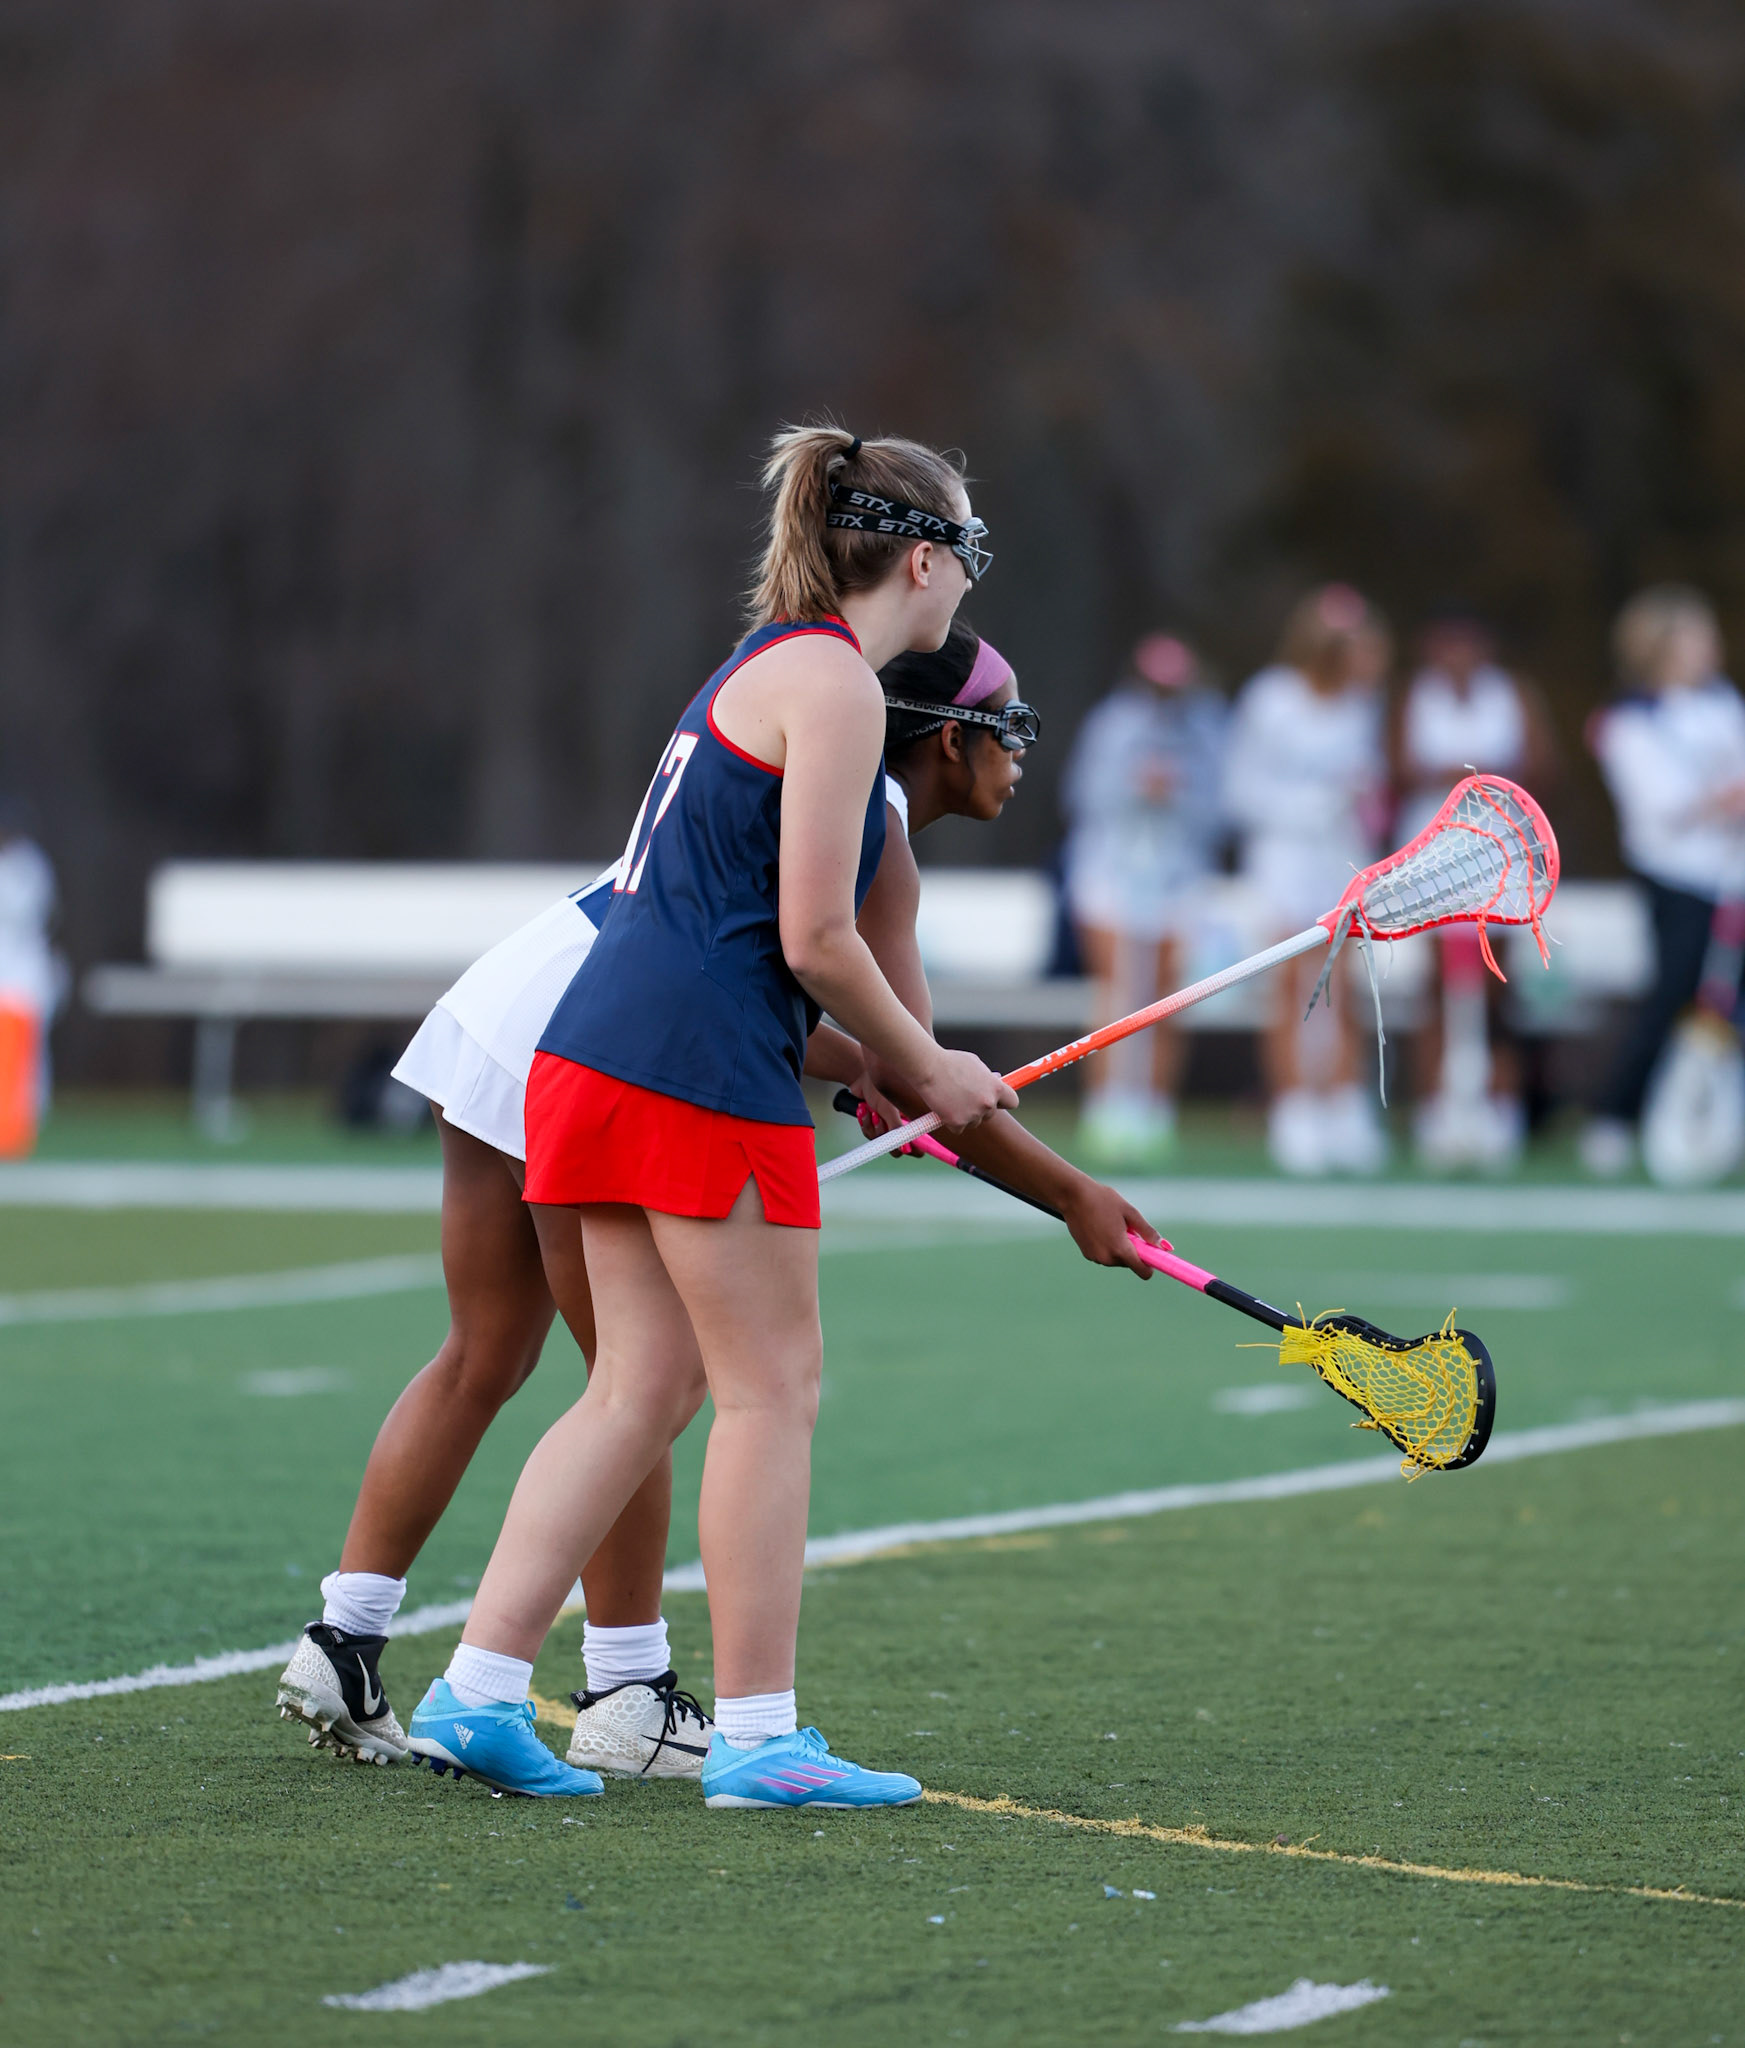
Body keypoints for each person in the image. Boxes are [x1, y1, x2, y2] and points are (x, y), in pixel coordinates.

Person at [403, 426, 1021, 1805]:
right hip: (699, 1065)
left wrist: (890, 1062)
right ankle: (757, 1737)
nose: (967, 584)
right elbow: (812, 935)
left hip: (597, 1046)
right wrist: (924, 1063)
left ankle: (478, 1690)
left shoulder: (763, 662)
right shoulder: (842, 689)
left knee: (639, 1389)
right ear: (921, 559)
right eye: (968, 554)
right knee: (769, 1392)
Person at [274, 868, 717, 1783]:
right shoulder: (863, 791)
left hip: (499, 1000)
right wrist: (887, 1063)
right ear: (944, 736)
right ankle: (628, 1694)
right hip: (582, 1031)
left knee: (483, 1352)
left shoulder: (751, 740)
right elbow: (798, 966)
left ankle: (343, 1638)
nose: (1015, 754)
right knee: (635, 1379)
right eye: (1004, 726)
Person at [1223, 585, 1391, 1177]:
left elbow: (1368, 788)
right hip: (1283, 859)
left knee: (1343, 987)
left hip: (1340, 861)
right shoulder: (1271, 700)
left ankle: (1343, 1106)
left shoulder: (1360, 706)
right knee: (1293, 985)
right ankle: (1294, 1111)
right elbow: (1241, 791)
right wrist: (1315, 804)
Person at [1584, 586, 1745, 1176]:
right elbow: (1658, 806)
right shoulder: (1630, 720)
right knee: (1672, 993)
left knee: (1729, 1006)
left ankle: (1711, 1123)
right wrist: (1721, 801)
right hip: (1676, 876)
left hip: (1733, 876)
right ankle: (1614, 1116)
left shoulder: (1722, 703)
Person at [1396, 608, 1558, 1170]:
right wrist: (1448, 778)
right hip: (1434, 855)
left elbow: (1539, 763)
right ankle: (1437, 1108)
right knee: (1438, 987)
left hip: (1498, 853)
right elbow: (1395, 767)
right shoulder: (1416, 698)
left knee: (1495, 984)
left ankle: (1499, 1107)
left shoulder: (1511, 695)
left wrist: (1487, 777)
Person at [1059, 634, 1227, 1165]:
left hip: (1176, 874)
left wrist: (1176, 792)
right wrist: (1136, 788)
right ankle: (1108, 1106)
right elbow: (1082, 794)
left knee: (1164, 992)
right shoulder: (1113, 724)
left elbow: (1219, 805)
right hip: (1113, 869)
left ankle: (1153, 1108)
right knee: (1116, 990)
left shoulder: (1205, 726)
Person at [0, 795, 59, 1158]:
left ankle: (16, 1132)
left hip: (19, 978)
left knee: (23, 1062)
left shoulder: (26, 866)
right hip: (11, 976)